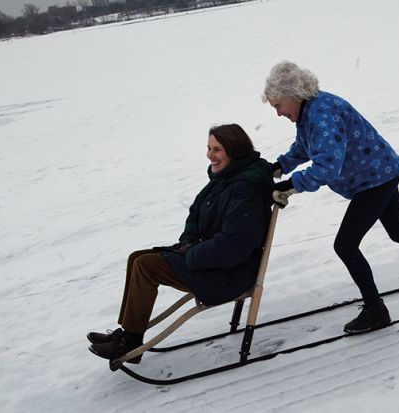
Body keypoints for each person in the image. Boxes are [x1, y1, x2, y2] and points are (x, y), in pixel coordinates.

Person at [263, 61, 399, 335]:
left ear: (293, 95)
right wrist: (279, 166)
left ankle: (375, 310)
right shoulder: (310, 110)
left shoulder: (321, 113)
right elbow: (307, 146)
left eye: (278, 106)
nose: (278, 113)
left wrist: (290, 185)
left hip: (375, 180)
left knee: (345, 245)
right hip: (379, 173)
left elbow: (328, 165)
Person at [88, 124, 273, 363]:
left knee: (146, 265)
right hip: (213, 263)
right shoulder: (223, 178)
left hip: (230, 275)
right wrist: (187, 242)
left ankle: (130, 344)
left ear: (234, 151)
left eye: (217, 149)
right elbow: (195, 214)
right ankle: (129, 334)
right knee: (137, 257)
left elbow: (233, 246)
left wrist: (191, 254)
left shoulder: (244, 190)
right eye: (208, 148)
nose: (210, 155)